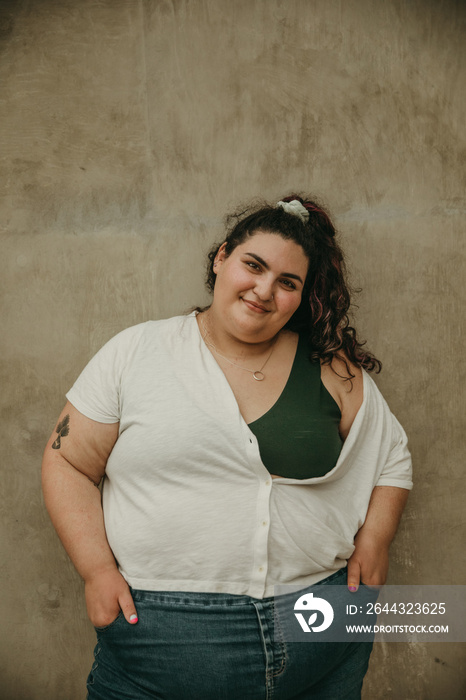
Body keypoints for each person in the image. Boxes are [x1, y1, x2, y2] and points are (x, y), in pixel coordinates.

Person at [42, 194, 412, 700]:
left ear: (301, 297)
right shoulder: (137, 352)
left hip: (322, 625)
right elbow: (67, 461)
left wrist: (376, 541)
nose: (264, 290)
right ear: (221, 258)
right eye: (253, 266)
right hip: (161, 634)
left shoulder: (331, 368)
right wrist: (96, 571)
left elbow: (390, 454)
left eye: (288, 283)